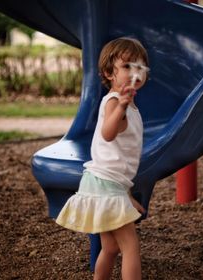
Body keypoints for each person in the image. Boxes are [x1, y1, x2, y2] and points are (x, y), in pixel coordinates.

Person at [56, 37, 149, 280]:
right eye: (127, 66)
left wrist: (126, 195)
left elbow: (115, 160)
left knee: (110, 247)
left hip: (107, 183)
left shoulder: (128, 106)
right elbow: (108, 133)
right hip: (104, 185)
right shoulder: (115, 102)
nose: (134, 72)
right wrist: (121, 108)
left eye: (139, 67)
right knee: (130, 247)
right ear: (109, 73)